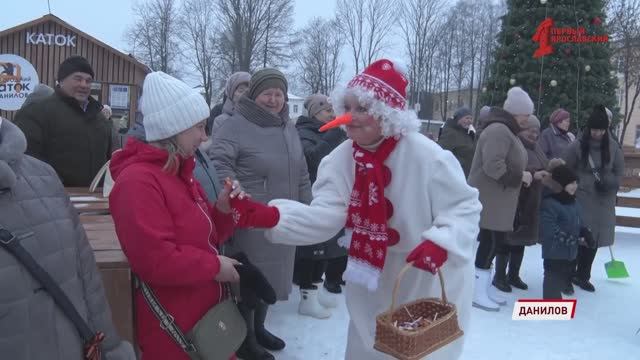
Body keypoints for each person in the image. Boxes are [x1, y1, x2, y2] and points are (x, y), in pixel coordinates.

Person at [263, 59, 482, 360]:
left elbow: (464, 207)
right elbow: (327, 215)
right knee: (369, 344)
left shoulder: (428, 157)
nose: (348, 117)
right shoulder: (340, 159)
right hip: (371, 275)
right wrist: (271, 217)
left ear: (386, 115)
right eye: (347, 107)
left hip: (425, 276)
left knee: (420, 350)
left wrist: (441, 242)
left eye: (361, 109)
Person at [108, 71, 280, 360]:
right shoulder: (138, 182)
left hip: (206, 317)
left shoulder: (179, 171)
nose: (204, 137)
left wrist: (223, 211)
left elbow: (206, 236)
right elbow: (154, 261)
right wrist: (215, 267)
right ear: (173, 129)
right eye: (199, 127)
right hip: (175, 328)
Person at [0, 118, 135, 360]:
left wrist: (110, 348)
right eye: (78, 77)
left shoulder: (43, 175)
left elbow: (87, 280)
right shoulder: (41, 116)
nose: (84, 84)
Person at [210, 68, 311, 359]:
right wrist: (236, 195)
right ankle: (245, 338)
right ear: (255, 95)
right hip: (250, 215)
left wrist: (308, 206)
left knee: (273, 277)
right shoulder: (235, 125)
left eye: (279, 94)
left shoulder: (286, 127)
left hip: (283, 216)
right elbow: (220, 162)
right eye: (268, 93)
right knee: (250, 279)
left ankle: (260, 328)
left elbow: (301, 170)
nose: (274, 99)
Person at [468, 86, 533, 312]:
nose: (529, 118)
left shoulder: (507, 130)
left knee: (493, 243)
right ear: (515, 113)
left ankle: (482, 289)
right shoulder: (499, 130)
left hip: (498, 200)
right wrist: (520, 176)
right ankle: (476, 293)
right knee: (489, 243)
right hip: (490, 199)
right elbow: (493, 165)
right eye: (526, 114)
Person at [14, 56, 112, 187]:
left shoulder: (99, 117)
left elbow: (109, 158)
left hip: (96, 200)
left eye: (88, 81)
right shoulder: (36, 113)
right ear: (61, 81)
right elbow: (26, 161)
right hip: (53, 199)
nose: (84, 85)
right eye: (78, 79)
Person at [294, 94, 348, 319]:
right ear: (315, 113)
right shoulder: (303, 133)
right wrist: (333, 137)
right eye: (327, 111)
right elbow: (310, 159)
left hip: (330, 194)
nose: (333, 115)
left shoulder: (327, 132)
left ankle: (319, 291)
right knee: (311, 250)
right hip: (311, 197)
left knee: (327, 248)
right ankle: (307, 298)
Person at [561, 105, 624, 293]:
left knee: (593, 240)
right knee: (577, 238)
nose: (597, 133)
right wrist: (574, 185)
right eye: (594, 129)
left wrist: (609, 183)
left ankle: (583, 276)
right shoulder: (577, 146)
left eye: (601, 130)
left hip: (602, 201)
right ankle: (567, 275)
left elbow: (618, 172)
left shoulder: (613, 147)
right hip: (581, 199)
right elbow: (564, 168)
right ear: (589, 128)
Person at [499, 115, 549, 292]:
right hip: (516, 200)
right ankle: (499, 276)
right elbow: (510, 168)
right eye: (530, 130)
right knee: (508, 240)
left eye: (537, 131)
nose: (534, 134)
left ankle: (513, 275)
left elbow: (545, 165)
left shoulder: (536, 148)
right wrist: (532, 173)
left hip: (531, 201)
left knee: (521, 241)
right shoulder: (515, 145)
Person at [540, 159, 593, 299]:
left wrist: (585, 232)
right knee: (552, 280)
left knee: (562, 278)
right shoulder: (549, 203)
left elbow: (578, 222)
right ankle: (549, 310)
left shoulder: (573, 202)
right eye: (570, 183)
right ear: (561, 184)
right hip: (554, 252)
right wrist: (574, 240)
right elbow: (550, 230)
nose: (574, 186)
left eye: (576, 182)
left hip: (569, 253)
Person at [438, 107, 476, 177]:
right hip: (455, 175)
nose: (470, 121)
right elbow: (442, 154)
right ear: (458, 119)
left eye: (471, 118)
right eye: (467, 118)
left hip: (466, 175)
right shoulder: (450, 133)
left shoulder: (467, 133)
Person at [210, 71, 251, 136]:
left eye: (248, 91)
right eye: (241, 90)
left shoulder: (256, 119)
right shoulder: (221, 121)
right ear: (231, 92)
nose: (244, 94)